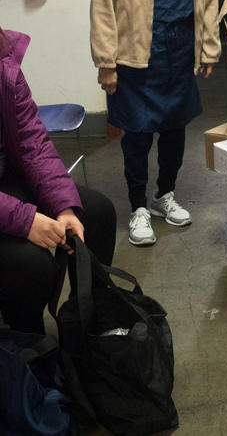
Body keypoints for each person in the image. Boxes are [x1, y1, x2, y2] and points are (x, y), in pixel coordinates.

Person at [91, 0, 220, 248]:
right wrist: (106, 62)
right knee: (137, 134)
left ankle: (165, 196)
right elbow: (103, 0)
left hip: (179, 49)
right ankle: (137, 207)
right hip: (136, 51)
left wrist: (208, 48)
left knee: (174, 129)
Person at [0, 28, 117, 335]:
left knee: (97, 214)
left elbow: (31, 141)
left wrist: (64, 206)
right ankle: (27, 347)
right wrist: (27, 221)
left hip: (5, 179)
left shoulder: (4, 58)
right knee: (31, 265)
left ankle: (87, 331)